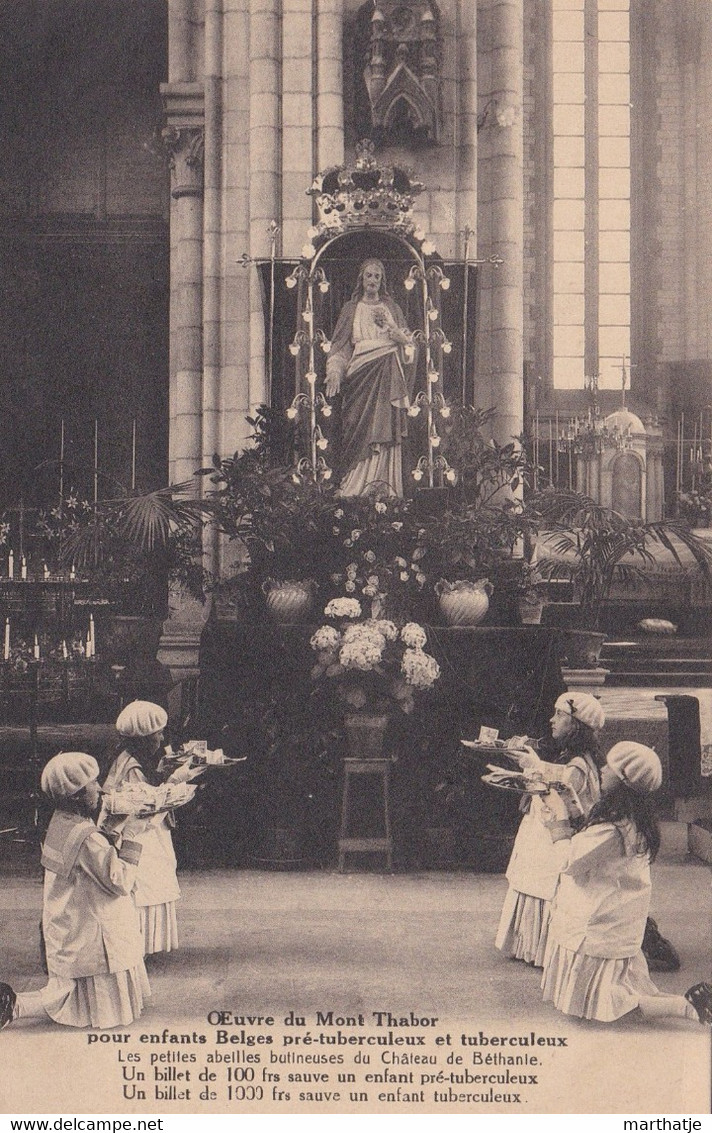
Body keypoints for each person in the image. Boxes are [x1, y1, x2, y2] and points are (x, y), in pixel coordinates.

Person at [541, 741, 712, 1025]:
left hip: (598, 921)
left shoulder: (613, 828)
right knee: (625, 989)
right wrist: (571, 805)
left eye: (609, 767)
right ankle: (690, 1003)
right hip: (618, 920)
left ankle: (687, 1007)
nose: (603, 770)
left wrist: (558, 823)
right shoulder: (631, 819)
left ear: (623, 780)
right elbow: (591, 840)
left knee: (614, 1003)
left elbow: (569, 861)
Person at [0, 752, 148, 1030]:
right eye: (93, 783)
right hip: (91, 928)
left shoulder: (62, 822)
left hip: (69, 922)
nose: (100, 788)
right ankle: (14, 1005)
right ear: (77, 795)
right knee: (66, 995)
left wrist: (111, 831)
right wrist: (132, 836)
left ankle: (14, 1004)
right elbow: (119, 882)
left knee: (67, 988)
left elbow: (90, 862)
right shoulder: (87, 837)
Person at [495, 691, 604, 967]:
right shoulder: (576, 757)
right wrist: (531, 764)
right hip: (544, 829)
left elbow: (562, 793)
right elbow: (557, 776)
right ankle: (529, 945)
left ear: (576, 724)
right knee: (531, 877)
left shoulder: (580, 763)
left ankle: (540, 948)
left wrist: (532, 770)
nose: (551, 720)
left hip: (553, 833)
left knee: (541, 882)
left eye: (559, 715)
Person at [325, 258, 415, 497]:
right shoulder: (350, 309)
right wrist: (334, 369)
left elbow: (409, 347)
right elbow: (341, 347)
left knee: (385, 429)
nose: (373, 280)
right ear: (361, 280)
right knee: (358, 428)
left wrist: (400, 338)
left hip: (388, 375)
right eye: (369, 276)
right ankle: (354, 485)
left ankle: (385, 486)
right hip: (360, 378)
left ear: (382, 280)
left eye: (377, 276)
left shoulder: (392, 308)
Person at [101, 700, 180, 957]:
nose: (162, 737)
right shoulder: (132, 766)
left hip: (141, 829)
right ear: (145, 736)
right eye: (158, 733)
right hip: (138, 834)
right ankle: (140, 946)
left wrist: (161, 775)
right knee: (148, 883)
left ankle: (144, 945)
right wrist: (173, 785)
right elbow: (142, 803)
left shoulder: (128, 758)